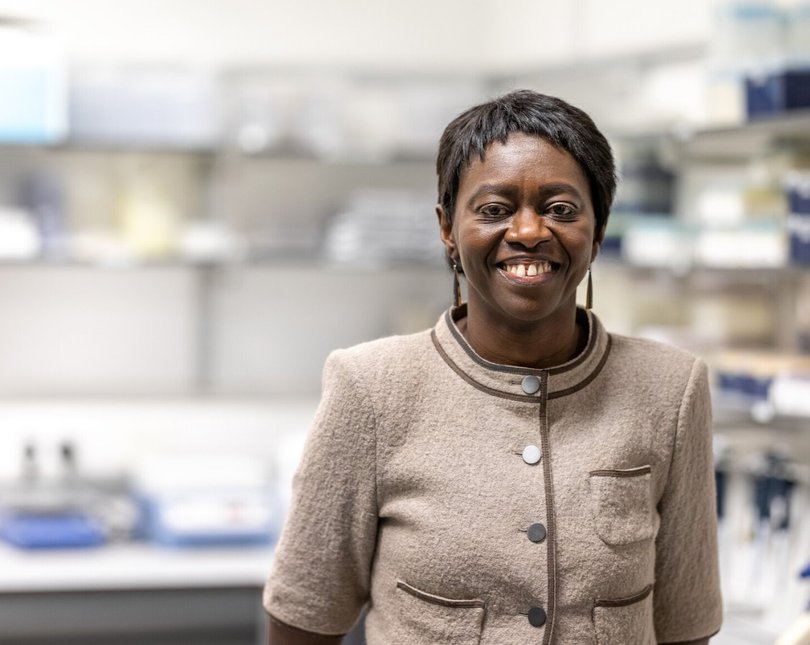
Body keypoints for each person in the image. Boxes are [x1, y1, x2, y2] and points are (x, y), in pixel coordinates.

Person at [263, 90, 722, 644]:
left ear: (598, 229)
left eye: (560, 209)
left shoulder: (671, 389)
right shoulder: (372, 388)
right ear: (447, 228)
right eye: (494, 209)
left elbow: (686, 625)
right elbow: (304, 620)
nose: (529, 232)